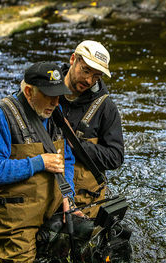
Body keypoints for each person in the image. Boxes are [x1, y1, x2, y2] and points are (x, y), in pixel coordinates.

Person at [0, 61, 80, 263]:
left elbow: (67, 159)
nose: (56, 102)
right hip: (16, 221)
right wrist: (39, 162)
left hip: (52, 211)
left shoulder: (56, 115)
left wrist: (67, 196)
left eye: (58, 95)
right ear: (28, 91)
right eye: (49, 96)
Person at [59, 40, 124, 218]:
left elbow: (115, 157)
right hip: (45, 196)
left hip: (85, 205)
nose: (89, 80)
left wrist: (77, 145)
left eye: (96, 76)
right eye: (85, 70)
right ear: (73, 59)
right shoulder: (48, 91)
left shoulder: (106, 107)